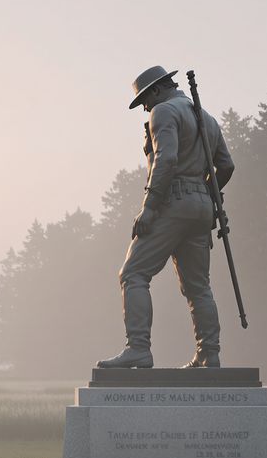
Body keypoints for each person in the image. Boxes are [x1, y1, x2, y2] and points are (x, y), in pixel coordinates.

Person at [97, 66, 235, 369]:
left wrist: (149, 207)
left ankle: (138, 349)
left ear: (157, 91)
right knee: (198, 286)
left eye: (144, 101)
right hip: (201, 207)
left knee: (132, 274)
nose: (145, 108)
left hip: (172, 203)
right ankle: (208, 353)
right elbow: (226, 166)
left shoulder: (163, 112)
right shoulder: (206, 118)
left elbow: (167, 159)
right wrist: (205, 191)